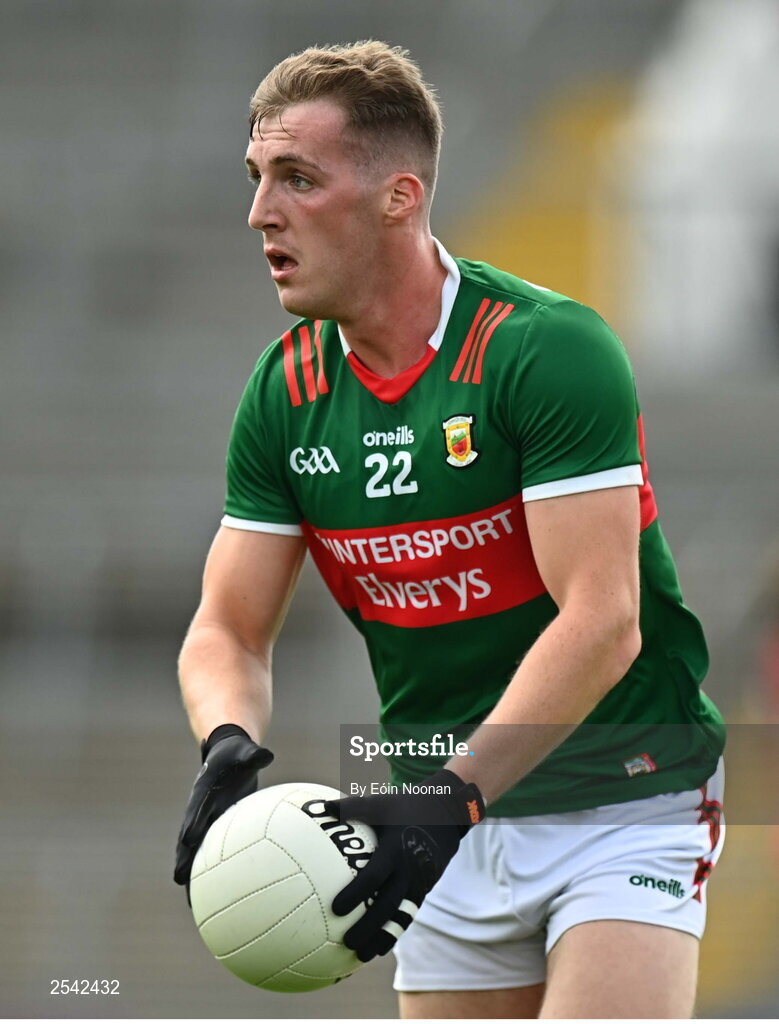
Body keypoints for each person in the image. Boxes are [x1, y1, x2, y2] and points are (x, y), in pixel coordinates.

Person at [173, 41, 726, 1019]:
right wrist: (225, 737)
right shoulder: (284, 392)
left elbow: (601, 621)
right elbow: (227, 628)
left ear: (397, 194)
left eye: (297, 178)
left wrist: (450, 798)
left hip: (620, 796)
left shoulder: (540, 351)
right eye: (257, 178)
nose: (261, 212)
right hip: (434, 819)